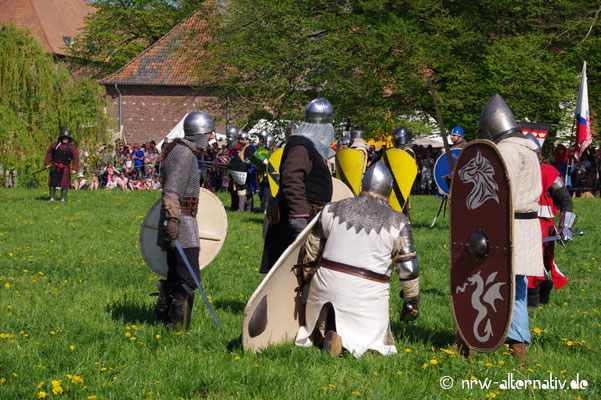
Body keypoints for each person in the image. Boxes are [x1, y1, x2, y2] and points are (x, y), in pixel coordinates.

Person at [295, 161, 420, 357]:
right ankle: (344, 340)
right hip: (366, 296)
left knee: (329, 295)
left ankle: (326, 332)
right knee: (366, 334)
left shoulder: (330, 209)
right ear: (388, 189)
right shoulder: (399, 222)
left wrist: (306, 282)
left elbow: (310, 251)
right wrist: (412, 301)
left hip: (325, 286)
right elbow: (408, 267)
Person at [477, 94, 544, 360]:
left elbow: (494, 193)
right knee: (518, 284)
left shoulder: (504, 151)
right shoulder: (530, 148)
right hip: (527, 225)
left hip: (506, 226)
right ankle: (516, 342)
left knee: (488, 281)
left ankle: (510, 343)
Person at [260, 98, 335, 273]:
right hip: (297, 219)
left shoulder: (308, 145)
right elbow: (292, 179)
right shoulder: (301, 146)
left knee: (307, 271)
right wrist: (299, 217)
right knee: (295, 272)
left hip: (309, 217)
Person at [155, 111, 215, 329]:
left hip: (180, 221)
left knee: (176, 274)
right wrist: (172, 222)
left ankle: (163, 315)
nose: (211, 137)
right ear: (200, 132)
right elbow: (171, 192)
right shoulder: (183, 154)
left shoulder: (183, 151)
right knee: (189, 278)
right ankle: (175, 322)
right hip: (181, 223)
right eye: (209, 133)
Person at [526, 133, 575, 307]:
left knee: (532, 264)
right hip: (522, 223)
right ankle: (543, 286)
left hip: (542, 225)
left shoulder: (548, 172)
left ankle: (532, 302)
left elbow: (565, 201)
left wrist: (566, 226)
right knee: (529, 263)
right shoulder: (518, 172)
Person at [44, 129, 79, 202]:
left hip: (65, 167)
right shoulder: (55, 145)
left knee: (64, 184)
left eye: (66, 137)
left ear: (69, 138)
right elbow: (49, 153)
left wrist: (74, 169)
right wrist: (47, 163)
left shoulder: (72, 148)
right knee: (52, 183)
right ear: (61, 137)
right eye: (64, 137)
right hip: (54, 166)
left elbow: (76, 157)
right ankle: (52, 198)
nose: (65, 139)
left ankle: (62, 199)